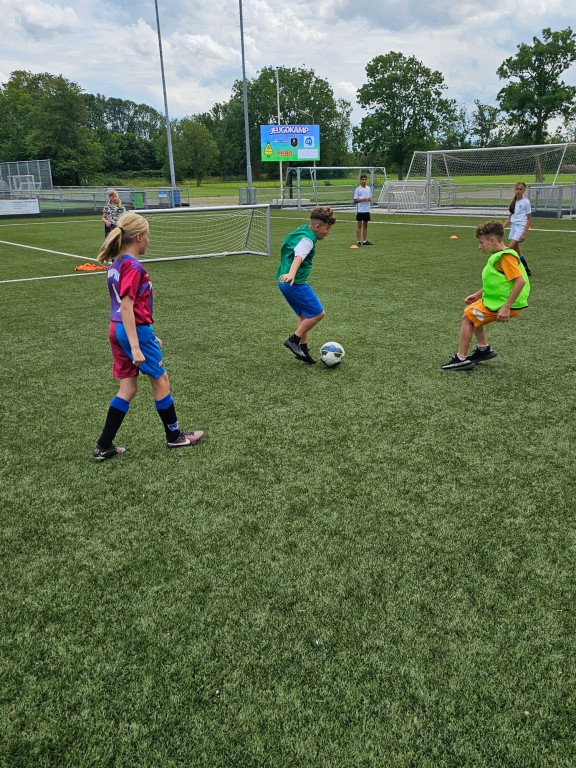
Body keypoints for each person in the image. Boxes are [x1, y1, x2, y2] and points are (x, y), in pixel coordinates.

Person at [92, 212, 204, 460]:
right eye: (148, 236)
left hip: (117, 329)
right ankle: (175, 436)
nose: (149, 241)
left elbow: (125, 308)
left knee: (128, 388)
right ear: (139, 237)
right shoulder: (133, 266)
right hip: (132, 331)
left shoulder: (116, 264)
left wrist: (147, 335)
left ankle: (104, 445)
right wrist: (137, 344)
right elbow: (127, 305)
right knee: (161, 380)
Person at [442, 219, 530, 372]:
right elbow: (498, 282)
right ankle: (483, 349)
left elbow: (520, 281)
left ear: (493, 240)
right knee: (473, 311)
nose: (479, 246)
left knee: (468, 317)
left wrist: (506, 307)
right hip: (496, 301)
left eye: (481, 242)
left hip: (505, 304)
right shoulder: (500, 256)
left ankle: (461, 359)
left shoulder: (505, 257)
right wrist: (477, 295)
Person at [277, 205, 336, 364]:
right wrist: (292, 273)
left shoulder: (303, 230)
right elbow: (299, 256)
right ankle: (293, 340)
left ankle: (303, 349)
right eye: (327, 229)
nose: (328, 232)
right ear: (317, 227)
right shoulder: (308, 240)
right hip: (294, 283)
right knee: (318, 314)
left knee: (305, 315)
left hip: (285, 283)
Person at [504, 181, 532, 276]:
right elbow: (509, 218)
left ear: (524, 190)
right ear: (514, 189)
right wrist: (502, 228)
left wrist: (524, 233)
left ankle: (506, 269)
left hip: (521, 227)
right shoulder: (513, 202)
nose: (518, 191)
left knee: (510, 248)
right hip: (513, 227)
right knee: (518, 252)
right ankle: (526, 269)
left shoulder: (526, 202)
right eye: (517, 189)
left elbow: (529, 219)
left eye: (520, 189)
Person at [353, 174, 373, 246]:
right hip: (360, 210)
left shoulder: (369, 188)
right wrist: (362, 199)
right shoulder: (358, 189)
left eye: (365, 179)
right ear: (360, 180)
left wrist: (369, 199)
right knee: (359, 225)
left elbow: (370, 198)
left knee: (365, 225)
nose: (364, 181)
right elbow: (355, 200)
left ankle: (365, 241)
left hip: (366, 210)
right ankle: (358, 241)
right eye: (363, 179)